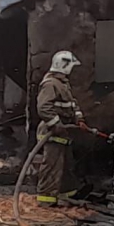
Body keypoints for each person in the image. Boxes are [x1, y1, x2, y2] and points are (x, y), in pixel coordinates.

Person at [36, 50, 85, 207]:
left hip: (64, 131)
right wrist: (56, 125)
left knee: (66, 165)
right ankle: (46, 200)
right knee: (52, 166)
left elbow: (72, 103)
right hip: (53, 132)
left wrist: (79, 118)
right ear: (64, 66)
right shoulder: (50, 84)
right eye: (71, 66)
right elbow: (43, 108)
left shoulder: (62, 83)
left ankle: (66, 195)